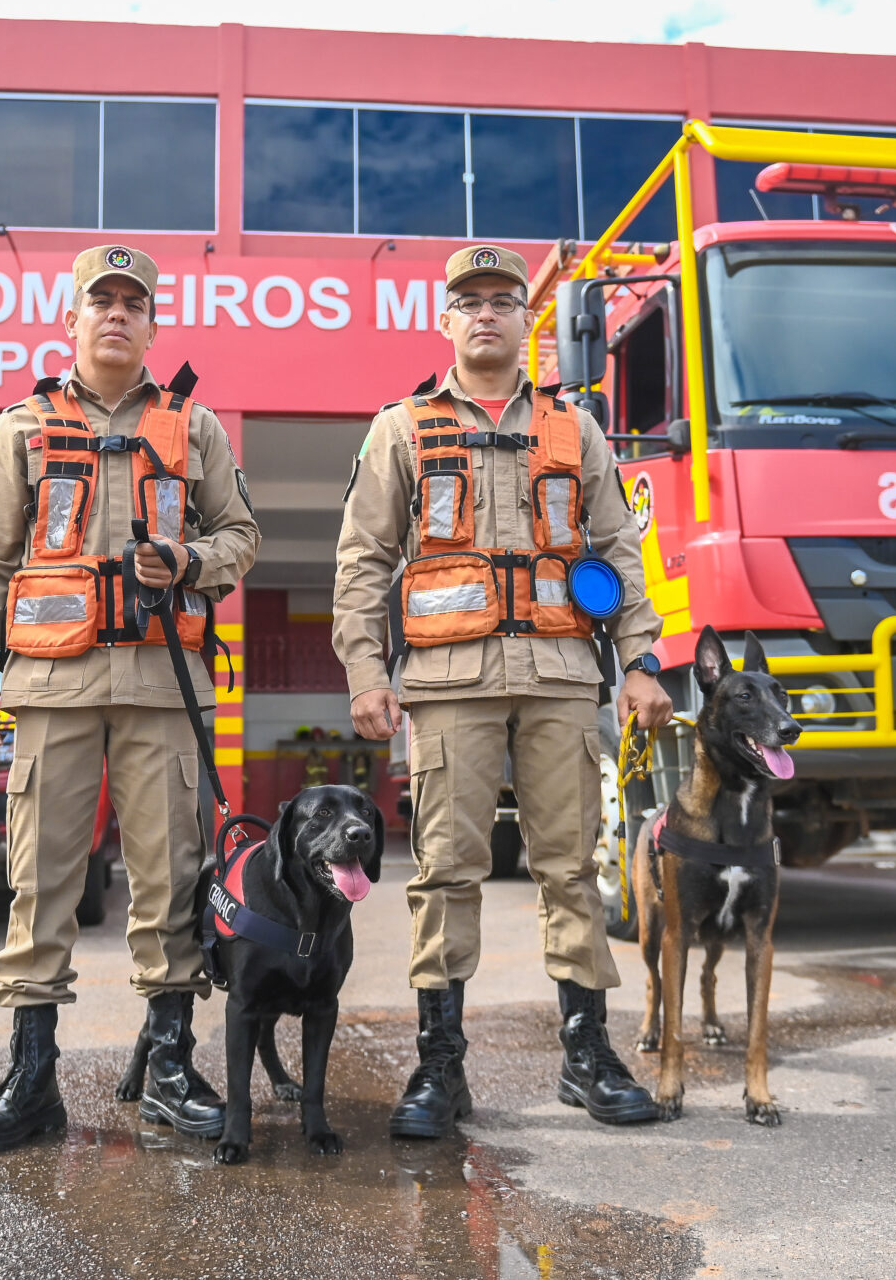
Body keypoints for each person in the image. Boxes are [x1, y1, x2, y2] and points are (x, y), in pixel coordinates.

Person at [333, 244, 674, 1135]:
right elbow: (364, 559)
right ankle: (439, 1068)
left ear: (529, 320)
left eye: (502, 300)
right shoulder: (400, 428)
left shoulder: (577, 428)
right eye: (468, 301)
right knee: (447, 870)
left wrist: (640, 661)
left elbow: (618, 548)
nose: (485, 313)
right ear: (444, 321)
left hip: (563, 677)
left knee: (572, 866)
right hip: (449, 686)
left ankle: (587, 1054)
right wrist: (367, 671)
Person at [0, 244, 260, 1153]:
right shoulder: (23, 428)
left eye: (134, 303)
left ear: (154, 324)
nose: (117, 315)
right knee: (40, 881)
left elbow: (241, 535)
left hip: (165, 689)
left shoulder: (194, 428)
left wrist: (193, 560)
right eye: (101, 301)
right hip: (50, 689)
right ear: (72, 319)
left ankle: (168, 1063)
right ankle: (32, 1077)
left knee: (170, 883)